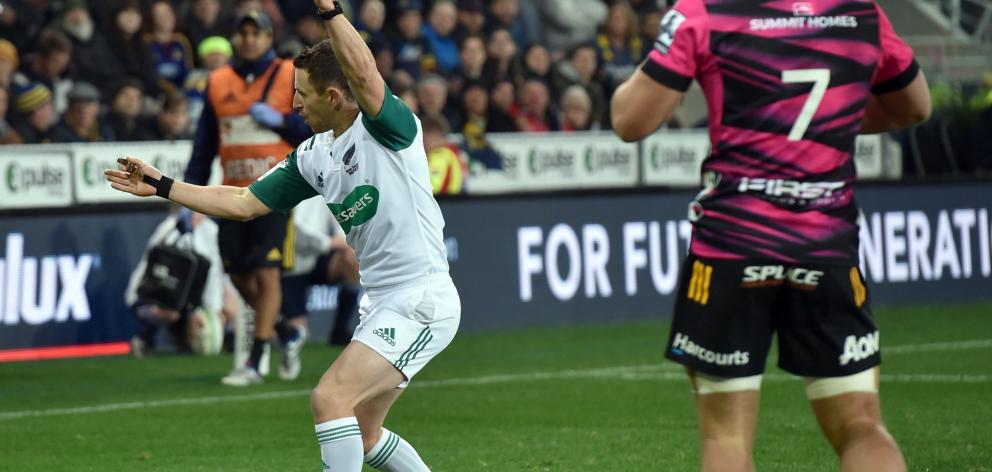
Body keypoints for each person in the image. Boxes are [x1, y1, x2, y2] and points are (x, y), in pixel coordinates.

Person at [106, 1, 459, 469]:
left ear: (334, 95)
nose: (292, 104)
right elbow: (243, 202)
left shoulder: (386, 128)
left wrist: (331, 12)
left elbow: (366, 73)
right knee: (364, 431)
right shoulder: (314, 154)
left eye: (302, 94)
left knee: (329, 399)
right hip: (384, 300)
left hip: (420, 298)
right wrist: (164, 185)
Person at [610, 1, 932, 471]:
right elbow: (915, 107)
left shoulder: (705, 12)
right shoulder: (860, 12)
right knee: (862, 425)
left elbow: (629, 120)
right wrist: (826, 123)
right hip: (827, 245)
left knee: (727, 436)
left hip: (733, 243)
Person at [182, 9, 311, 387]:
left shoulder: (290, 74)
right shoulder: (219, 81)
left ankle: (254, 362)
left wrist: (283, 120)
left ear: (270, 37)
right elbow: (205, 143)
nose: (250, 39)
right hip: (232, 192)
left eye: (258, 32)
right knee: (238, 274)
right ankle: (285, 330)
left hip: (275, 190)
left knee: (267, 272)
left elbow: (313, 130)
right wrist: (190, 196)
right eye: (244, 33)